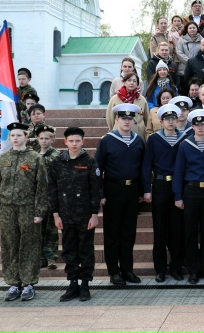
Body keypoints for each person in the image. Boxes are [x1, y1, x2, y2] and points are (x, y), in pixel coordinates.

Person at [0, 122, 48, 302]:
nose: (15, 138)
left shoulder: (35, 158)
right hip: (7, 208)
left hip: (28, 208)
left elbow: (42, 187)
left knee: (29, 245)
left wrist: (39, 211)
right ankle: (14, 283)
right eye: (13, 135)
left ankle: (29, 283)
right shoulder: (2, 158)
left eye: (19, 135)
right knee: (9, 245)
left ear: (26, 137)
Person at [49, 127, 102, 302]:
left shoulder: (90, 162)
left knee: (86, 250)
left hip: (85, 215)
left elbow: (96, 190)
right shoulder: (57, 162)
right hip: (65, 215)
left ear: (83, 142)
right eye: (71, 141)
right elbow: (52, 190)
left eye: (77, 141)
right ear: (65, 142)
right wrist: (56, 215)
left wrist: (94, 214)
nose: (74, 144)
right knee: (69, 250)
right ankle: (72, 284)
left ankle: (85, 284)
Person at [96, 103, 145, 286]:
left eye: (130, 118)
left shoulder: (138, 141)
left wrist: (142, 191)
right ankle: (114, 271)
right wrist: (100, 193)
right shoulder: (107, 140)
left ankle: (127, 270)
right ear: (116, 119)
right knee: (112, 233)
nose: (126, 121)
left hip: (132, 190)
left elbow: (142, 168)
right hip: (112, 189)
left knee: (128, 232)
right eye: (123, 118)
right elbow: (98, 169)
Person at [173, 109, 204, 284]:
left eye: (203, 124)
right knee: (190, 231)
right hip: (190, 191)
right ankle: (193, 270)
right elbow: (179, 171)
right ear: (192, 126)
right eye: (197, 124)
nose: (200, 127)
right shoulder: (185, 145)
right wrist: (178, 196)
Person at [143, 104, 184, 283]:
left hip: (178, 186)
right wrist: (147, 189)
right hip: (160, 185)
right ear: (161, 121)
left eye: (173, 118)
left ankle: (176, 267)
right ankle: (160, 269)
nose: (170, 122)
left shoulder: (184, 138)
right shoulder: (154, 139)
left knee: (177, 229)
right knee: (159, 229)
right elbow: (147, 164)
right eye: (167, 119)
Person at [34, 124, 59, 269]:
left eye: (47, 138)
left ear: (52, 140)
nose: (44, 141)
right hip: (37, 197)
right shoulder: (34, 155)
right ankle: (41, 257)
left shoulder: (57, 156)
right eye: (41, 138)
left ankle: (51, 257)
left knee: (51, 229)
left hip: (51, 196)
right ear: (37, 139)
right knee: (38, 229)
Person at [106, 72, 149, 140]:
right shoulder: (115, 99)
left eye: (134, 81)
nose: (132, 83)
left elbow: (146, 117)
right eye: (129, 80)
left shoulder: (142, 99)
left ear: (137, 84)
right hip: (119, 134)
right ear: (124, 82)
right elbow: (110, 118)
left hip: (138, 134)